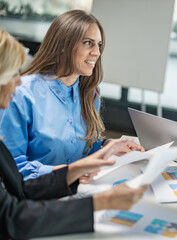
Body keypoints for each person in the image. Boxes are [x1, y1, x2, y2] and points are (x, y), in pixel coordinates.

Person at [0, 28, 148, 239]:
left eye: (99, 45)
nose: (18, 82)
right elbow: (11, 217)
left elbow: (19, 188)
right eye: (12, 74)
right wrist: (101, 201)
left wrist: (83, 164)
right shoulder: (26, 94)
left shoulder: (88, 91)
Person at [0, 10, 144, 180]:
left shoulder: (90, 94)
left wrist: (106, 146)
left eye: (99, 44)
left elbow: (80, 146)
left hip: (79, 189)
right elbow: (12, 169)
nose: (97, 52)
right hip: (36, 198)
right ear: (63, 45)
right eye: (88, 43)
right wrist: (70, 172)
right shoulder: (20, 94)